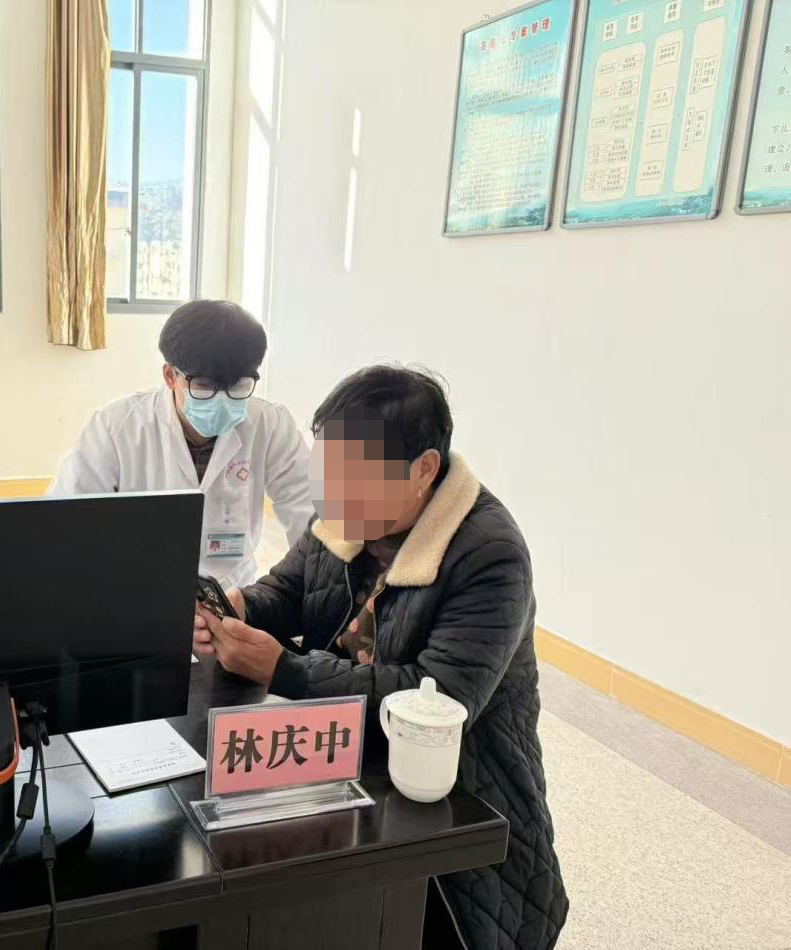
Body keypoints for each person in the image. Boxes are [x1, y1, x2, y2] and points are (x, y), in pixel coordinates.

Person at [193, 365, 567, 950]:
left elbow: (433, 701)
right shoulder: (346, 516)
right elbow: (288, 591)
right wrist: (239, 606)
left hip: (455, 793)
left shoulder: (490, 555)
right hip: (344, 758)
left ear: (423, 470)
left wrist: (283, 669)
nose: (333, 495)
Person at [51, 300, 312, 589]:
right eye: (204, 384)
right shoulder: (116, 426)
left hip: (233, 593)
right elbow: (68, 522)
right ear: (170, 376)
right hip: (137, 586)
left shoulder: (270, 424)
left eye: (238, 384)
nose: (222, 398)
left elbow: (309, 514)